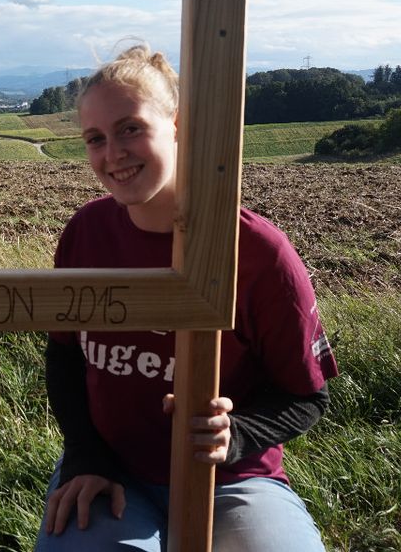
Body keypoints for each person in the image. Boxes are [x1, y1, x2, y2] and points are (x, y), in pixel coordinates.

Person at [35, 45, 338, 552]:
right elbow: (64, 356)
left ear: (177, 125)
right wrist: (85, 456)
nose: (113, 154)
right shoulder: (86, 233)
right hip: (113, 471)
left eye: (130, 128)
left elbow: (307, 395)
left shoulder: (257, 251)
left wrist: (235, 435)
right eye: (95, 138)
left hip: (234, 480)